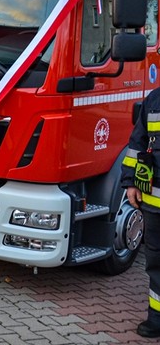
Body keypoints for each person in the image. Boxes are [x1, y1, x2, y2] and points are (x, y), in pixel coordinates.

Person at [121, 87, 160, 339]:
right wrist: (131, 182)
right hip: (155, 202)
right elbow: (138, 142)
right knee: (156, 262)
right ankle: (156, 317)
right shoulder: (155, 99)